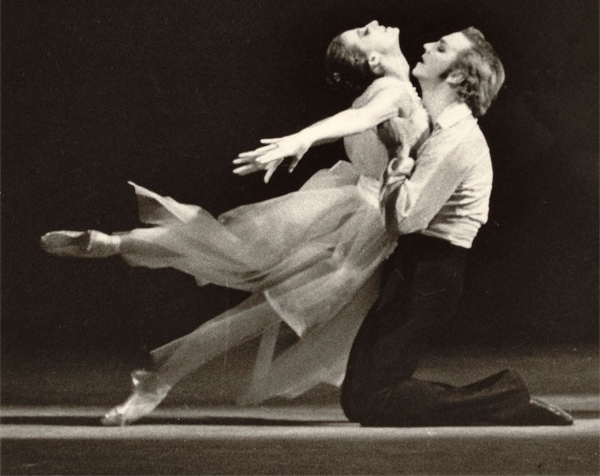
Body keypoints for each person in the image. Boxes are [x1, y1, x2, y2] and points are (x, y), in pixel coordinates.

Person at [40, 21, 430, 425]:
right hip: (361, 226)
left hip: (344, 207)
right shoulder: (393, 93)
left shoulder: (378, 93)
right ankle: (156, 383)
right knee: (255, 312)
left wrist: (307, 140)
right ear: (373, 59)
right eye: (365, 33)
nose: (371, 25)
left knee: (230, 247)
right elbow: (357, 120)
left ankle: (117, 243)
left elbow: (353, 122)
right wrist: (301, 139)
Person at [334, 27, 574, 426]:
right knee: (359, 400)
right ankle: (499, 398)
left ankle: (507, 395)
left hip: (430, 273)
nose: (426, 45)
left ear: (460, 77)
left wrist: (398, 154)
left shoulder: (456, 140)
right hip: (415, 268)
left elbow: (405, 220)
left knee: (373, 398)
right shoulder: (438, 127)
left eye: (441, 47)